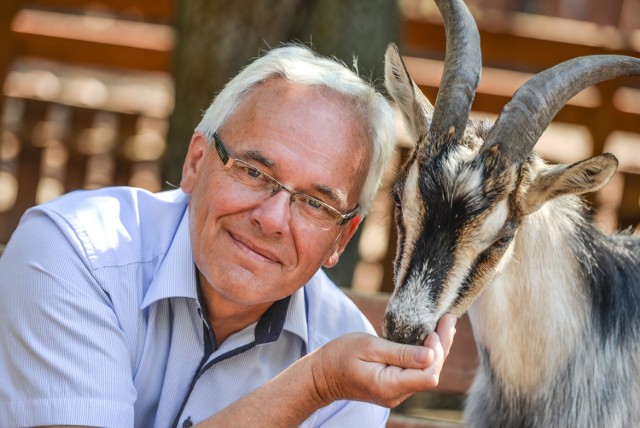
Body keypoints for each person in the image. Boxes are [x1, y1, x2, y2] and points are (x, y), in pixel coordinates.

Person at [0, 44, 457, 427]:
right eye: (254, 171)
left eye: (317, 203)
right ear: (196, 162)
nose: (273, 219)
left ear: (341, 239)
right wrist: (314, 383)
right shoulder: (73, 252)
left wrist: (331, 381)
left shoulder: (345, 356)